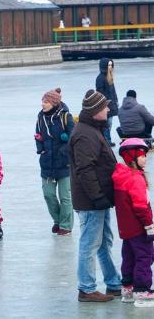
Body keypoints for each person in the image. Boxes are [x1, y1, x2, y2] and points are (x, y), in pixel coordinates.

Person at [69, 89, 122, 302]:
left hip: (99, 199)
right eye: (104, 107)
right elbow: (85, 170)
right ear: (95, 111)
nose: (108, 109)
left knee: (103, 241)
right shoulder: (84, 134)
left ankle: (113, 282)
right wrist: (97, 196)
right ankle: (87, 288)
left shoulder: (92, 129)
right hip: (91, 201)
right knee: (90, 243)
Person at [113, 138, 154, 307]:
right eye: (143, 156)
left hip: (126, 228)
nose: (146, 159)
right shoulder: (135, 179)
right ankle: (142, 292)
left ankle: (128, 289)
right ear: (132, 158)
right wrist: (149, 225)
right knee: (144, 257)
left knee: (129, 257)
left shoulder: (121, 175)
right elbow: (140, 206)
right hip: (139, 227)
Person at [34, 88, 75, 236]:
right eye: (42, 101)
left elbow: (73, 137)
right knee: (48, 194)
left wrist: (63, 150)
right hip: (47, 163)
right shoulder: (41, 117)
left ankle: (65, 225)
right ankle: (58, 220)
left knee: (65, 197)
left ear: (54, 102)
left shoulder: (65, 117)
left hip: (64, 163)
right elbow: (37, 135)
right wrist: (41, 149)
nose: (42, 104)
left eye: (46, 102)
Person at [96, 58, 119, 146]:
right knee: (106, 123)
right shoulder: (100, 78)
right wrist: (103, 104)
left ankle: (107, 140)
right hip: (105, 105)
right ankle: (106, 141)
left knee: (109, 123)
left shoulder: (109, 76)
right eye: (108, 65)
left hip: (111, 103)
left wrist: (116, 100)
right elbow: (99, 93)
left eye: (111, 65)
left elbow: (113, 91)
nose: (110, 67)